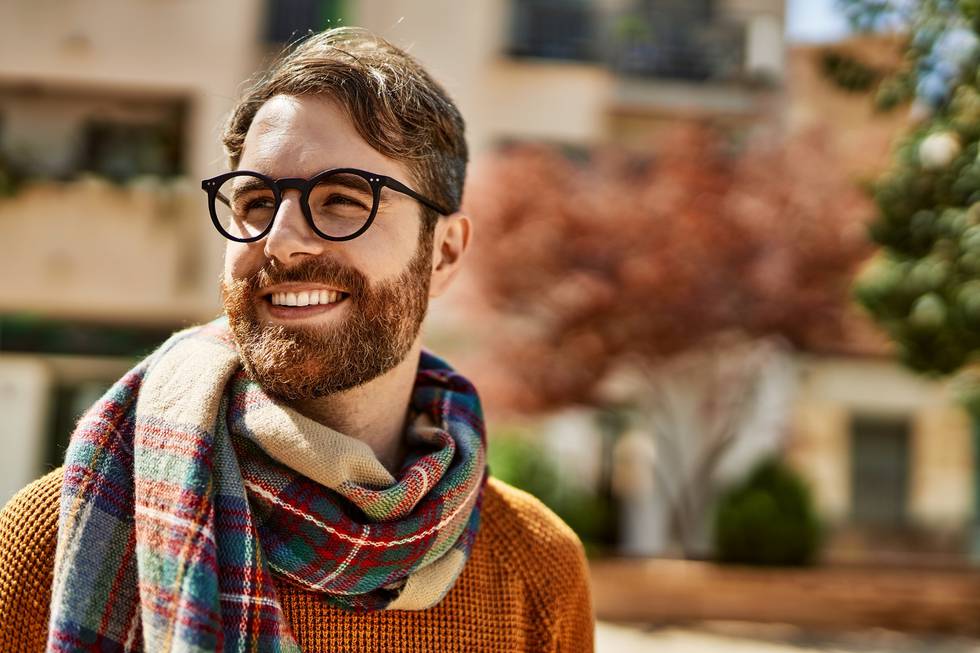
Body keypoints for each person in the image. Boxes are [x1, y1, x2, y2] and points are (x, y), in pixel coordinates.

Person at [0, 27, 594, 652]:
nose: (280, 240)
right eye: (255, 201)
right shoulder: (58, 537)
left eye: (341, 200)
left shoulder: (536, 568)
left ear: (443, 253)